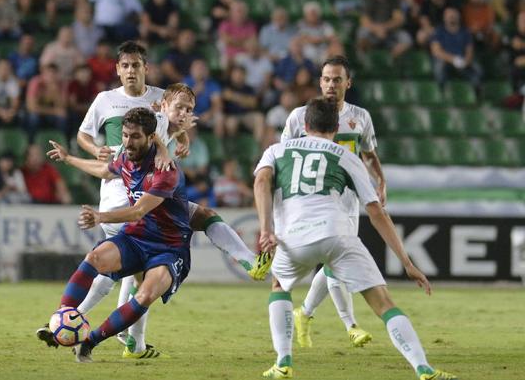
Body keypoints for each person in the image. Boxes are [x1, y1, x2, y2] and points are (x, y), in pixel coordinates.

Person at [42, 41, 265, 357]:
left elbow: (140, 200)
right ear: (118, 69)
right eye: (126, 65)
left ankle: (102, 332)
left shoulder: (163, 154)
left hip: (154, 217)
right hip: (126, 205)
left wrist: (176, 141)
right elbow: (106, 167)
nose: (184, 113)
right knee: (119, 268)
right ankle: (79, 323)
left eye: (189, 110)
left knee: (140, 278)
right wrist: (73, 157)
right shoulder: (117, 123)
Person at [254, 97, 458, 380]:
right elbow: (376, 212)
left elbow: (261, 182)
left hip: (293, 239)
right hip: (337, 234)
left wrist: (266, 229)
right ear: (336, 126)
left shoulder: (275, 150)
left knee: (279, 286)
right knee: (383, 304)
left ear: (304, 124)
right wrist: (407, 262)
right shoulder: (346, 156)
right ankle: (423, 368)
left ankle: (283, 362)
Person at [48, 107, 193, 363]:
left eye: (135, 136)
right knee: (94, 257)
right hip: (137, 238)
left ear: (151, 138)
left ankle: (90, 342)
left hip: (168, 247)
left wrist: (101, 217)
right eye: (125, 135)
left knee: (145, 295)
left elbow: (138, 211)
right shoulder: (126, 158)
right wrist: (69, 158)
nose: (127, 142)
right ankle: (63, 317)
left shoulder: (165, 171)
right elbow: (105, 170)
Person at [281, 56, 386, 349]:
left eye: (337, 79)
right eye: (326, 78)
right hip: (309, 199)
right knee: (334, 260)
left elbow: (368, 153)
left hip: (347, 200)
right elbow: (282, 155)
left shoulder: (360, 117)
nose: (331, 84)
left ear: (348, 83)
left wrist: (381, 180)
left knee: (333, 262)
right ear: (320, 81)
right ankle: (349, 325)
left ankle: (306, 312)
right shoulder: (298, 117)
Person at [429, 7, 483, 94]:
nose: (452, 17)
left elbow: (469, 51)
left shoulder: (465, 32)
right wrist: (453, 59)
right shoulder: (438, 31)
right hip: (446, 60)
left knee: (477, 68)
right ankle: (441, 91)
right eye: (449, 15)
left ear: (459, 17)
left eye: (453, 15)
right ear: (444, 17)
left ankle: (476, 92)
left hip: (462, 60)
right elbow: (436, 51)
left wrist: (465, 61)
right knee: (439, 66)